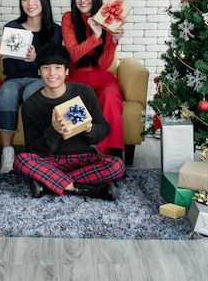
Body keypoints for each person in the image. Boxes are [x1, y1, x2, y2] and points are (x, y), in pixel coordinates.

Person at [13, 43, 125, 200]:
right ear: (39, 71)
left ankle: (51, 183)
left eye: (58, 67)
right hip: (51, 161)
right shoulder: (30, 105)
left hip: (84, 159)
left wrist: (90, 130)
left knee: (117, 165)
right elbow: (34, 150)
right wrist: (53, 131)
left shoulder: (84, 92)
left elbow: (103, 129)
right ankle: (80, 188)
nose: (52, 73)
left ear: (66, 71)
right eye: (46, 67)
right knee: (21, 161)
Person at [0, 0, 63, 174]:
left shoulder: (54, 31)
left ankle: (39, 151)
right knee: (6, 93)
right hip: (15, 78)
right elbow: (10, 71)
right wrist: (7, 56)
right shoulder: (12, 27)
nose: (30, 3)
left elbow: (53, 66)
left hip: (39, 79)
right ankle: (7, 152)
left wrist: (36, 60)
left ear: (43, 0)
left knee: (33, 93)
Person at [61, 0, 124, 157]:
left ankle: (110, 154)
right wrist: (95, 37)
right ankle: (80, 153)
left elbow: (103, 65)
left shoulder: (106, 19)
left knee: (110, 95)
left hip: (101, 77)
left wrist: (112, 39)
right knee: (71, 101)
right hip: (76, 78)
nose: (82, 0)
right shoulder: (68, 18)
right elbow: (73, 55)